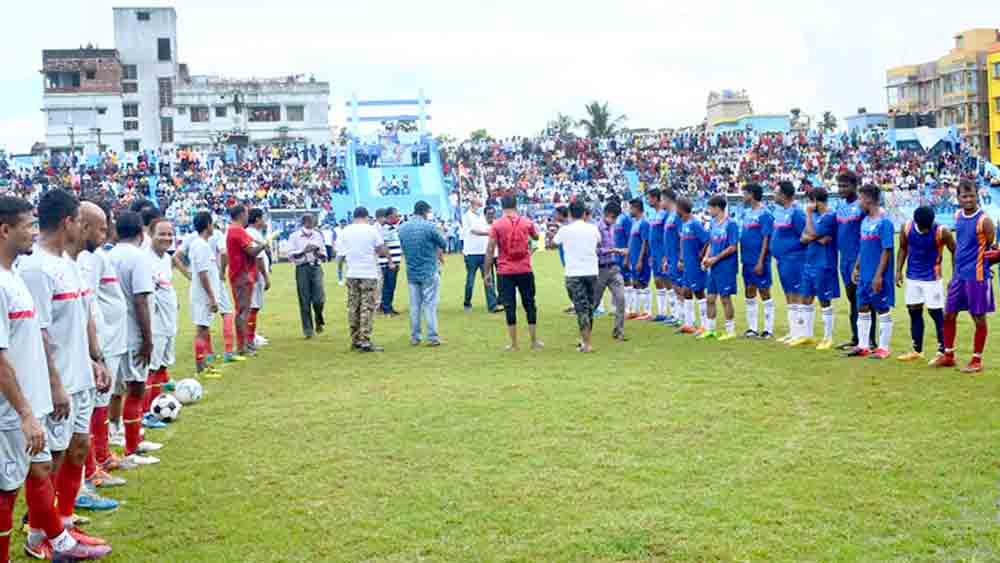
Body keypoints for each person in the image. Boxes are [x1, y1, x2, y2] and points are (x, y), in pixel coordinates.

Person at [0, 196, 110, 561]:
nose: (32, 232)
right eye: (25, 226)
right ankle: (46, 536)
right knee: (20, 479)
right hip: (25, 400)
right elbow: (21, 345)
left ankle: (57, 533)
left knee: (42, 467)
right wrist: (42, 396)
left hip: (49, 390)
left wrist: (93, 359)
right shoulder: (27, 274)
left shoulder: (19, 273)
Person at [107, 211, 163, 464]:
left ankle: (121, 437)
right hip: (133, 334)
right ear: (142, 233)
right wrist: (148, 339)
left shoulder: (109, 255)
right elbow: (141, 299)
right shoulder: (138, 258)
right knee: (136, 388)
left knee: (117, 389)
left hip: (114, 333)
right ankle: (132, 447)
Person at [931, 179, 995, 372]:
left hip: (976, 277)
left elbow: (992, 249)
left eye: (971, 196)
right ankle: (948, 355)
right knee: (948, 314)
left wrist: (987, 265)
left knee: (978, 317)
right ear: (957, 198)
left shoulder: (985, 220)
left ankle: (976, 360)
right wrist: (954, 273)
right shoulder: (957, 215)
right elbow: (960, 248)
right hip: (959, 276)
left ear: (977, 196)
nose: (968, 199)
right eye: (964, 196)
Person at [895, 205, 953, 362]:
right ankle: (916, 350)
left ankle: (943, 351)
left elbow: (954, 250)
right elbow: (902, 248)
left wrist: (954, 276)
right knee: (914, 311)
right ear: (916, 222)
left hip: (932, 278)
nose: (926, 230)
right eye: (923, 227)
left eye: (929, 227)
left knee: (936, 314)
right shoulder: (906, 228)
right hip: (912, 277)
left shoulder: (942, 231)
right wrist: (898, 270)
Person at [485, 195, 543, 351]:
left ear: (501, 206)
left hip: (505, 270)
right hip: (524, 268)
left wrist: (487, 272)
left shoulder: (497, 225)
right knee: (530, 304)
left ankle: (514, 344)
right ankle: (534, 341)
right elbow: (536, 236)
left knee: (509, 306)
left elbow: (490, 249)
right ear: (516, 205)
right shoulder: (526, 222)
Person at [846, 185, 895, 359]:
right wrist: (857, 267)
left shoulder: (885, 223)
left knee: (882, 308)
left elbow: (886, 250)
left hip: (877, 275)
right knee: (862, 307)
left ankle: (883, 348)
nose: (858, 202)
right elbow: (863, 247)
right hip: (864, 274)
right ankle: (863, 345)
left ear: (868, 199)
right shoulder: (865, 222)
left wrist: (879, 275)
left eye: (860, 198)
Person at [553, 200, 601, 352]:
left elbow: (553, 243)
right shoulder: (593, 228)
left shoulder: (565, 230)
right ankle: (585, 338)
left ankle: (586, 343)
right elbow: (598, 243)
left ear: (570, 213)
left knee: (581, 308)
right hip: (591, 271)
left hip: (574, 273)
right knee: (589, 307)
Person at [398, 201, 447, 346]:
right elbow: (443, 244)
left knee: (415, 306)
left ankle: (415, 336)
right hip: (429, 270)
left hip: (412, 271)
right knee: (430, 305)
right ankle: (432, 336)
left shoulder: (403, 228)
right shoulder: (430, 227)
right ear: (425, 212)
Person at [835, 172, 875, 350]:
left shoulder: (861, 206)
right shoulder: (839, 206)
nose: (842, 189)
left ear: (855, 185)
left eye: (845, 186)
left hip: (859, 259)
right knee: (852, 299)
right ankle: (856, 337)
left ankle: (870, 340)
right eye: (840, 186)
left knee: (864, 299)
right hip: (844, 259)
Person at [340, 208, 389, 352]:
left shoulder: (345, 231)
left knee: (353, 307)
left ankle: (355, 339)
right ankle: (365, 340)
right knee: (367, 307)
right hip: (368, 272)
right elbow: (380, 249)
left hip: (352, 272)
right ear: (366, 216)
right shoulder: (371, 230)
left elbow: (340, 253)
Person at [796, 188, 839, 349]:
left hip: (824, 263)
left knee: (824, 300)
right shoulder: (814, 216)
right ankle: (807, 335)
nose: (808, 204)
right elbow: (804, 237)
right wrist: (813, 236)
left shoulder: (829, 216)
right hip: (810, 261)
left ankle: (828, 338)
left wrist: (811, 231)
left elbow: (812, 233)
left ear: (815, 201)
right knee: (806, 298)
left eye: (810, 201)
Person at [144, 219, 177, 427]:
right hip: (155, 324)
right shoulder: (145, 260)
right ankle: (146, 413)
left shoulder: (166, 258)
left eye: (169, 234)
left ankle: (158, 405)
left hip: (169, 321)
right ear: (150, 233)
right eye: (162, 234)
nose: (166, 238)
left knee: (163, 365)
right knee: (152, 369)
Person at [225, 205, 267, 357]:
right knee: (244, 311)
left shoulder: (232, 230)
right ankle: (243, 346)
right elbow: (251, 251)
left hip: (240, 274)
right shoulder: (237, 230)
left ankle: (244, 345)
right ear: (241, 214)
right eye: (246, 214)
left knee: (242, 310)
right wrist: (264, 244)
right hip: (242, 275)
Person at [771, 181, 807, 344]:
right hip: (782, 261)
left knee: (797, 295)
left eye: (776, 192)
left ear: (784, 195)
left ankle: (801, 333)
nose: (773, 195)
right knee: (788, 295)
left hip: (795, 260)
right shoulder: (781, 212)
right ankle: (793, 332)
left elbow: (805, 236)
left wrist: (793, 250)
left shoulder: (796, 213)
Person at [187, 212, 222, 377]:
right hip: (203, 297)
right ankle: (200, 366)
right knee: (201, 329)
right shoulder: (200, 245)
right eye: (212, 224)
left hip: (204, 295)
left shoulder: (202, 244)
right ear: (208, 225)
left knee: (205, 329)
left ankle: (205, 363)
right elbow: (203, 274)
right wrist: (212, 298)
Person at [700, 195, 739, 340]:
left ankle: (730, 331)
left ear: (717, 208)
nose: (708, 210)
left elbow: (733, 247)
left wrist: (715, 259)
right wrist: (706, 257)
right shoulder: (713, 223)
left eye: (710, 207)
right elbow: (711, 243)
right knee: (710, 298)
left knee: (725, 298)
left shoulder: (731, 224)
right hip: (713, 266)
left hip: (725, 267)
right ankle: (711, 329)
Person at [739, 183, 775, 339]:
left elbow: (767, 238)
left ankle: (768, 329)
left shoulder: (765, 214)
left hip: (759, 260)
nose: (743, 197)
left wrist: (761, 261)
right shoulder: (747, 213)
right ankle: (752, 328)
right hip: (746, 260)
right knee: (749, 292)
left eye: (744, 193)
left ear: (752, 194)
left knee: (764, 292)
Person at [287, 214, 326, 339]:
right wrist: (304, 251)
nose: (313, 222)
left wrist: (317, 252)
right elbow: (291, 256)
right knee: (304, 300)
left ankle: (318, 318)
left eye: (314, 220)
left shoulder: (318, 235)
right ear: (304, 222)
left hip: (316, 267)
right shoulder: (294, 236)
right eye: (310, 220)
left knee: (319, 299)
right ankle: (308, 330)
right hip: (302, 268)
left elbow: (325, 256)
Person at [594, 202, 627, 341]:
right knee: (593, 303)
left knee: (621, 299)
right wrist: (615, 250)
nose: (614, 220)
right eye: (613, 217)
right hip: (600, 269)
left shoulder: (612, 228)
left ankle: (618, 331)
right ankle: (585, 332)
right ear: (606, 214)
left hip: (614, 268)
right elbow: (595, 250)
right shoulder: (596, 229)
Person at [676, 197, 710, 334]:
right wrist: (681, 260)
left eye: (677, 208)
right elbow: (684, 245)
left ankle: (705, 325)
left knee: (699, 292)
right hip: (687, 265)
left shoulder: (695, 223)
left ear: (681, 209)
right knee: (686, 292)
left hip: (695, 265)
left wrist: (701, 254)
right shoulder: (684, 224)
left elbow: (707, 239)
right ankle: (688, 324)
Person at [461, 198, 499, 313]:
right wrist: (490, 233)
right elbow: (474, 231)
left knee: (488, 278)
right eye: (478, 203)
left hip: (483, 252)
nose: (480, 204)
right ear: (474, 204)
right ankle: (467, 303)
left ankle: (492, 305)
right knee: (471, 279)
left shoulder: (481, 217)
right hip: (471, 253)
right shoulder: (467, 216)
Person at [245, 209, 271, 348]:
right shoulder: (251, 234)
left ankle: (251, 335)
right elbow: (258, 257)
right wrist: (266, 277)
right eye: (263, 218)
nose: (264, 221)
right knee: (253, 306)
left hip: (253, 273)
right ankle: (250, 338)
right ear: (257, 219)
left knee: (253, 306)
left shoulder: (253, 233)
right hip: (254, 274)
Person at [646, 189, 670, 322]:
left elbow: (667, 236)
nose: (648, 201)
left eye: (649, 198)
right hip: (654, 254)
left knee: (668, 282)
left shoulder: (665, 214)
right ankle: (662, 313)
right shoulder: (655, 215)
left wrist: (665, 255)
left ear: (656, 198)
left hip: (662, 253)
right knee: (657, 281)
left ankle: (674, 314)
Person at [627, 198, 652, 320]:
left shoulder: (644, 223)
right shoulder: (634, 223)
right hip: (633, 258)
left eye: (631, 208)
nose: (629, 210)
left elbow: (645, 242)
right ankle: (636, 311)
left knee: (643, 284)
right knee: (635, 284)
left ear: (637, 208)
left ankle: (647, 312)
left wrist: (640, 260)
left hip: (640, 259)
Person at [662, 189, 684, 326]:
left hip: (677, 256)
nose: (661, 202)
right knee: (675, 286)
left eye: (662, 199)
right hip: (670, 257)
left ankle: (685, 318)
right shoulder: (669, 216)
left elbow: (682, 236)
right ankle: (678, 315)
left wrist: (681, 258)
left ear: (668, 199)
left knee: (680, 287)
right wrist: (665, 258)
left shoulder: (677, 215)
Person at [378, 207, 402, 316]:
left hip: (393, 262)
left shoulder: (393, 228)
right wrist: (391, 261)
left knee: (390, 286)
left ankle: (387, 306)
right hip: (388, 263)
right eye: (396, 215)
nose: (398, 217)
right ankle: (386, 308)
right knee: (388, 286)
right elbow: (385, 246)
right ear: (390, 216)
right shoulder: (385, 229)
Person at [612, 201, 634, 318]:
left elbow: (630, 238)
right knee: (617, 281)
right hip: (616, 255)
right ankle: (618, 307)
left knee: (627, 280)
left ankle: (628, 308)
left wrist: (627, 256)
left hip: (624, 255)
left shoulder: (625, 219)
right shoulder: (616, 220)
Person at [335, 220, 347, 286]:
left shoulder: (348, 231)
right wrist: (335, 247)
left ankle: (347, 279)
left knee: (348, 266)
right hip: (339, 251)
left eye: (344, 224)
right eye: (342, 224)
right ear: (340, 224)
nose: (343, 225)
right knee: (339, 266)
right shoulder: (336, 230)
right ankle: (340, 280)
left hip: (347, 251)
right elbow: (334, 239)